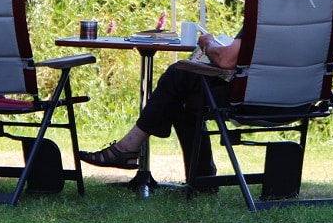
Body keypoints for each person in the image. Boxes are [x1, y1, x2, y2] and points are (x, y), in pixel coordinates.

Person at [79, 32, 241, 180]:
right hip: (261, 95)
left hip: (246, 98)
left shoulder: (259, 21)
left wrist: (208, 43)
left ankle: (127, 148)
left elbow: (226, 59)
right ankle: (202, 180)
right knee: (181, 92)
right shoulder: (263, 19)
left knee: (178, 74)